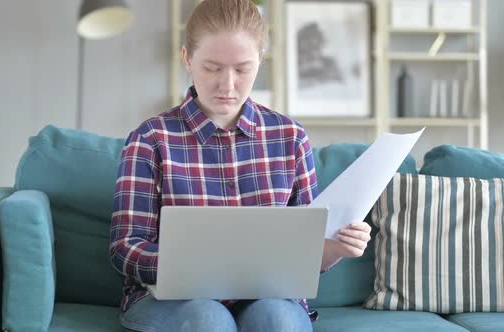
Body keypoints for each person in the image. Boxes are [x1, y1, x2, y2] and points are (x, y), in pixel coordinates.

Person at [110, 1, 372, 331]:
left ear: (259, 62)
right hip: (172, 299)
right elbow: (124, 248)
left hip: (269, 298)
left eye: (242, 69)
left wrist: (335, 248)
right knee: (209, 319)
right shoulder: (151, 139)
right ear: (187, 58)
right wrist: (188, 267)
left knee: (278, 320)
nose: (227, 84)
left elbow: (305, 252)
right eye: (212, 68)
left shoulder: (290, 137)